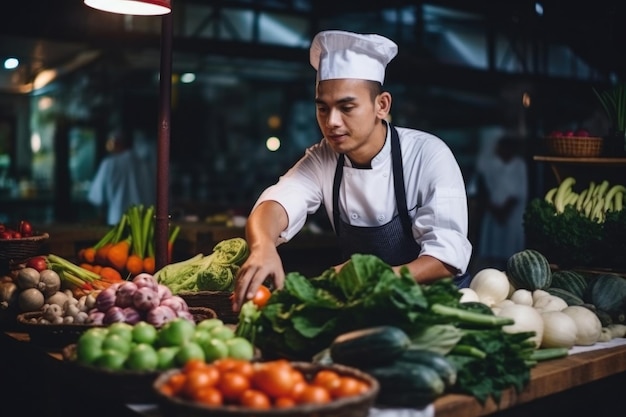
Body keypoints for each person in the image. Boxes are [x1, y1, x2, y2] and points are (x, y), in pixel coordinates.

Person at [232, 30, 472, 311]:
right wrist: (263, 246)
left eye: (346, 107)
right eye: (323, 108)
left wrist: (373, 278)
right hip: (364, 311)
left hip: (432, 312)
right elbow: (278, 202)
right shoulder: (324, 157)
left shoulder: (428, 155)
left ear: (381, 105)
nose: (332, 121)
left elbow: (447, 257)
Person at [473, 134, 528, 271]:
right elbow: (483, 187)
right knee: (492, 251)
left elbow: (519, 192)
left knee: (510, 251)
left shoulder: (519, 165)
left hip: (512, 215)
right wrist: (494, 209)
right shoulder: (491, 164)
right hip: (493, 212)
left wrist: (504, 211)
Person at [87, 125, 157, 226]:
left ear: (116, 143)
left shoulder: (109, 164)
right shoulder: (148, 165)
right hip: (145, 227)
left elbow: (96, 198)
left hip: (117, 225)